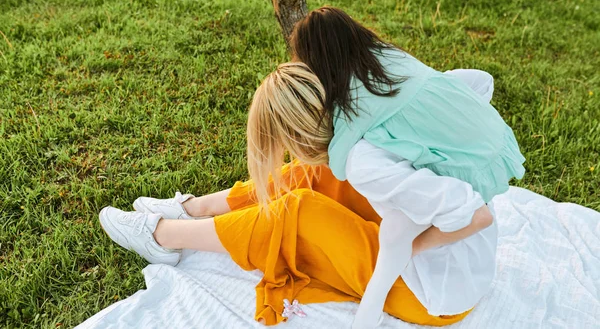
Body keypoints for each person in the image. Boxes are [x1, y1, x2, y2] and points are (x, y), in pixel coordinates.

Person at [100, 61, 510, 327]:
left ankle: (162, 236)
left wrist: (412, 246)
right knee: (316, 173)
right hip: (446, 258)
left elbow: (474, 213)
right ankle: (195, 209)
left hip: (435, 292)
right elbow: (479, 82)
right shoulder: (373, 118)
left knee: (299, 210)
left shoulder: (372, 155)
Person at [288, 7, 526, 327]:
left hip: (448, 259)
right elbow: (480, 82)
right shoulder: (389, 58)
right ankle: (375, 297)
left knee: (396, 227)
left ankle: (372, 304)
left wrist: (417, 246)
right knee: (399, 223)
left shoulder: (352, 98)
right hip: (490, 145)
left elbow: (343, 151)